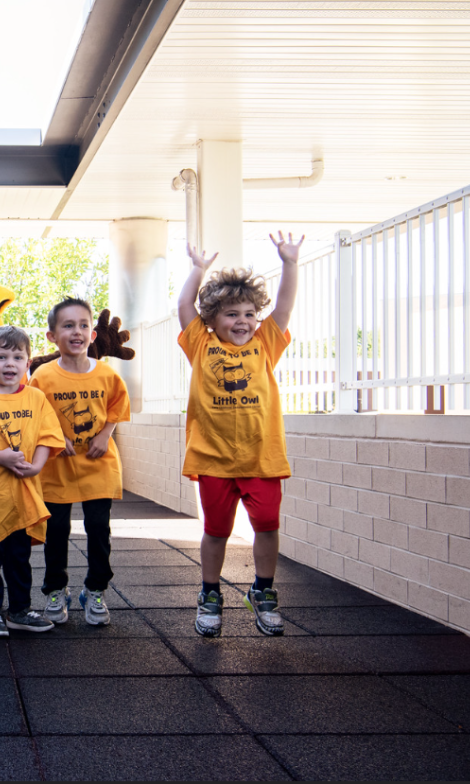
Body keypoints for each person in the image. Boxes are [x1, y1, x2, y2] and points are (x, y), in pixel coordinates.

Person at [177, 232, 303, 637]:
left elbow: (283, 307)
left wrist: (290, 264)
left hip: (261, 458)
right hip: (213, 458)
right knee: (216, 530)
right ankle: (210, 592)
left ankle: (263, 590)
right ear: (212, 319)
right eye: (232, 314)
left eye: (249, 313)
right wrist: (197, 270)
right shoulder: (201, 344)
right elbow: (183, 305)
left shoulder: (265, 343)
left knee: (267, 525)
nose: (243, 321)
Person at [0, 325, 65, 638]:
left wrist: (37, 467)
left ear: (28, 363)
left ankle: (19, 610)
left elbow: (48, 436)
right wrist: (2, 457)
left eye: (17, 357)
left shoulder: (36, 398)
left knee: (20, 557)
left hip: (25, 494)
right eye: (1, 356)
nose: (10, 363)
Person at [29, 298, 131, 626]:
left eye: (84, 325)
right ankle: (55, 590)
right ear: (51, 336)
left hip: (98, 464)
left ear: (93, 333)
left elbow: (117, 407)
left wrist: (106, 435)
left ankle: (95, 590)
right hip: (57, 468)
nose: (77, 331)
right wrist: (56, 435)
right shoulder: (43, 376)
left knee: (98, 528)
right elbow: (36, 413)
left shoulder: (106, 374)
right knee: (56, 530)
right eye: (68, 325)